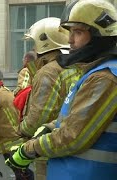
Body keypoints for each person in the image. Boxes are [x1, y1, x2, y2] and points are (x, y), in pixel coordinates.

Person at [6, 1, 117, 180]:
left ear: (99, 35)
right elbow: (78, 116)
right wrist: (49, 127)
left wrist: (28, 149)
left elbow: (72, 136)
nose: (70, 40)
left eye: (78, 32)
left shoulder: (105, 77)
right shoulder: (94, 71)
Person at [16, 17, 85, 180]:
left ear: (44, 43)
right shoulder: (75, 67)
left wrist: (21, 130)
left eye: (35, 43)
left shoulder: (48, 72)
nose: (33, 48)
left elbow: (39, 117)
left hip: (45, 149)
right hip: (66, 144)